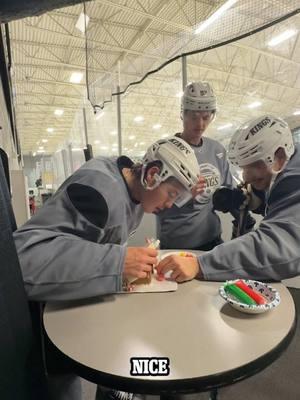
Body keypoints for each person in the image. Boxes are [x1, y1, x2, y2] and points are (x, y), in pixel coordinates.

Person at [14, 136, 203, 400]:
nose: (170, 205)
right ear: (152, 174)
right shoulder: (98, 193)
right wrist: (117, 262)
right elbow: (20, 261)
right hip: (47, 330)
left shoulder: (127, 180)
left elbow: (93, 242)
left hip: (74, 308)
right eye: (171, 194)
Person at [156, 114, 300, 282]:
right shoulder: (290, 166)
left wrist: (201, 265)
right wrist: (261, 198)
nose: (246, 177)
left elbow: (280, 247)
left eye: (253, 165)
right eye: (243, 167)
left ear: (280, 156)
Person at [156, 81, 235, 251]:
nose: (200, 124)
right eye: (194, 117)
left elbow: (230, 189)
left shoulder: (217, 150)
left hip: (212, 240)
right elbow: (151, 203)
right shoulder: (165, 152)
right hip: (176, 245)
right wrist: (184, 193)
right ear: (182, 114)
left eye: (206, 117)